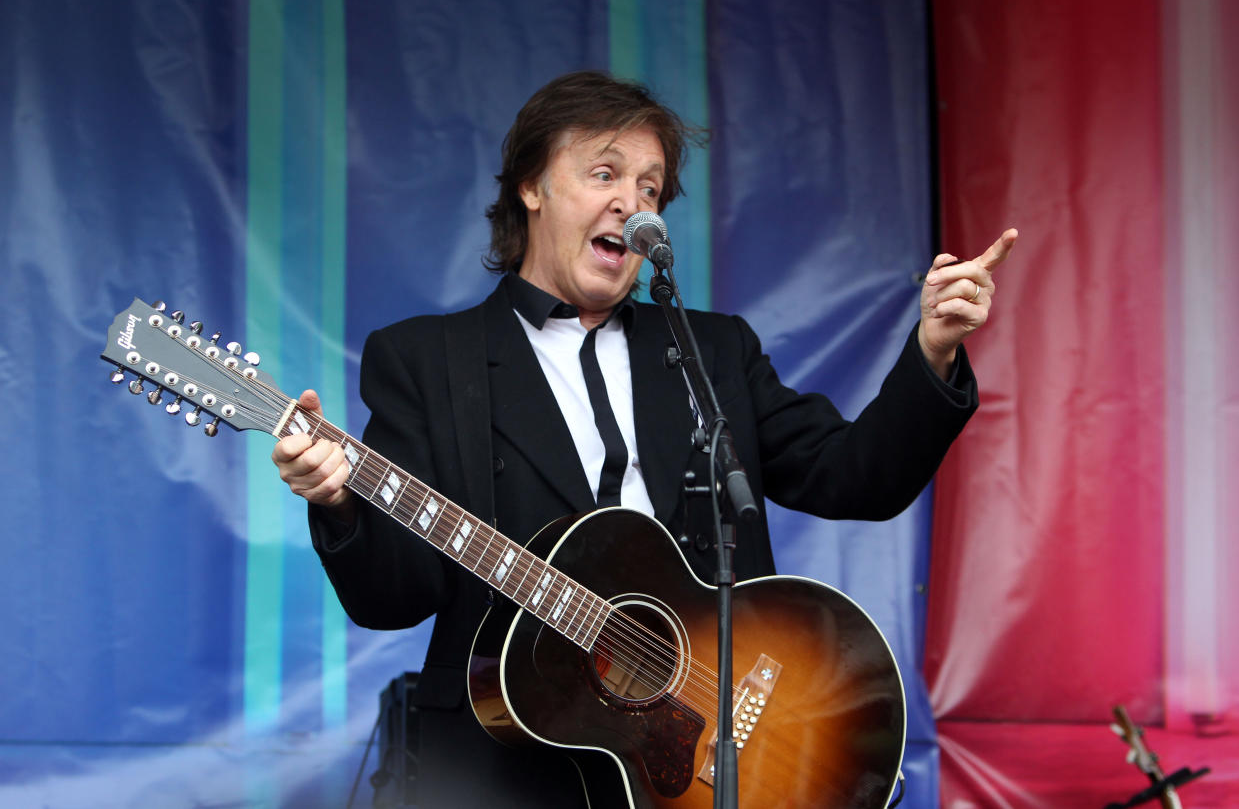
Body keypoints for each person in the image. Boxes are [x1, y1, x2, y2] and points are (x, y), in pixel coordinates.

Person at [273, 70, 1015, 807]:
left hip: (705, 758)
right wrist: (340, 504)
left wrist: (934, 350)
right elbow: (394, 598)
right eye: (605, 173)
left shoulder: (714, 352)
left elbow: (860, 478)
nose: (631, 203)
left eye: (651, 188)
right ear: (532, 187)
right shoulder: (426, 360)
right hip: (503, 770)